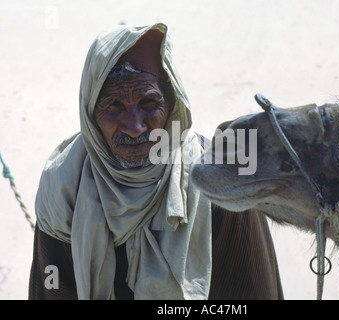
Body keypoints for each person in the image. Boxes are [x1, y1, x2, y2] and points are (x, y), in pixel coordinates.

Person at [29, 22, 284, 300]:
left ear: (172, 105)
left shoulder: (220, 183)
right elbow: (52, 286)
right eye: (114, 105)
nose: (135, 126)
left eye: (149, 102)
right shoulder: (63, 185)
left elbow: (251, 292)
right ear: (90, 111)